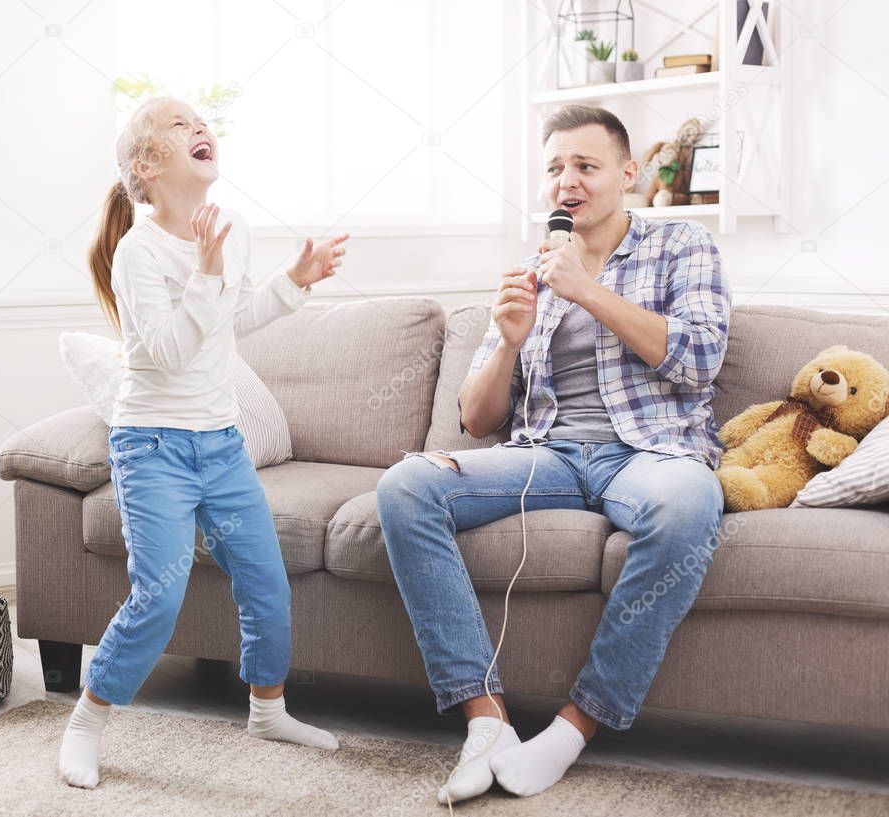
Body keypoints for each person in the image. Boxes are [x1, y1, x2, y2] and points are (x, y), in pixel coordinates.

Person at [375, 103, 731, 804]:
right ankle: (486, 721)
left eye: (586, 166)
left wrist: (589, 292)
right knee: (404, 487)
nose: (567, 182)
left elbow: (699, 358)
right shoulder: (531, 272)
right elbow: (476, 419)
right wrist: (508, 337)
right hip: (550, 454)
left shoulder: (683, 246)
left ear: (627, 174)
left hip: (651, 453)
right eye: (555, 168)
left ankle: (571, 729)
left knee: (692, 504)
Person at [58, 96, 349, 789]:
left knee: (268, 584)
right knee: (157, 596)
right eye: (179, 124)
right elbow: (161, 352)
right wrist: (207, 269)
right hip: (151, 445)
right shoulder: (138, 251)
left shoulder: (230, 228)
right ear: (147, 165)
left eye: (201, 121)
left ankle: (268, 708)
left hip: (220, 445)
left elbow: (230, 321)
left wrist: (293, 282)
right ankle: (87, 720)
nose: (200, 128)